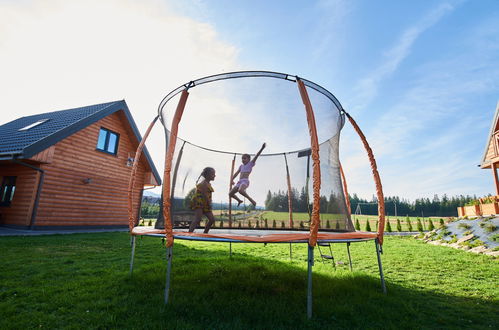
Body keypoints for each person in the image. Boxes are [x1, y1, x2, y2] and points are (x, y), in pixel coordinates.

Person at [229, 143, 266, 207]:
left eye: (245, 158)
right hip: (239, 182)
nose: (243, 160)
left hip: (245, 181)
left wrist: (262, 148)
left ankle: (251, 200)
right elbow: (236, 173)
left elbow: (256, 156)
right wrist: (232, 180)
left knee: (240, 190)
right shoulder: (241, 166)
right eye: (242, 158)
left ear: (249, 159)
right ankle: (239, 200)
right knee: (230, 194)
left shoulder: (250, 164)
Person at [189, 167, 216, 233]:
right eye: (213, 174)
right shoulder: (204, 183)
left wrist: (208, 203)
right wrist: (209, 203)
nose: (214, 175)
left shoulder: (208, 183)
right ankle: (190, 233)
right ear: (207, 175)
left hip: (205, 204)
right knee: (197, 219)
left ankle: (205, 233)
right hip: (200, 203)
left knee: (212, 219)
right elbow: (204, 195)